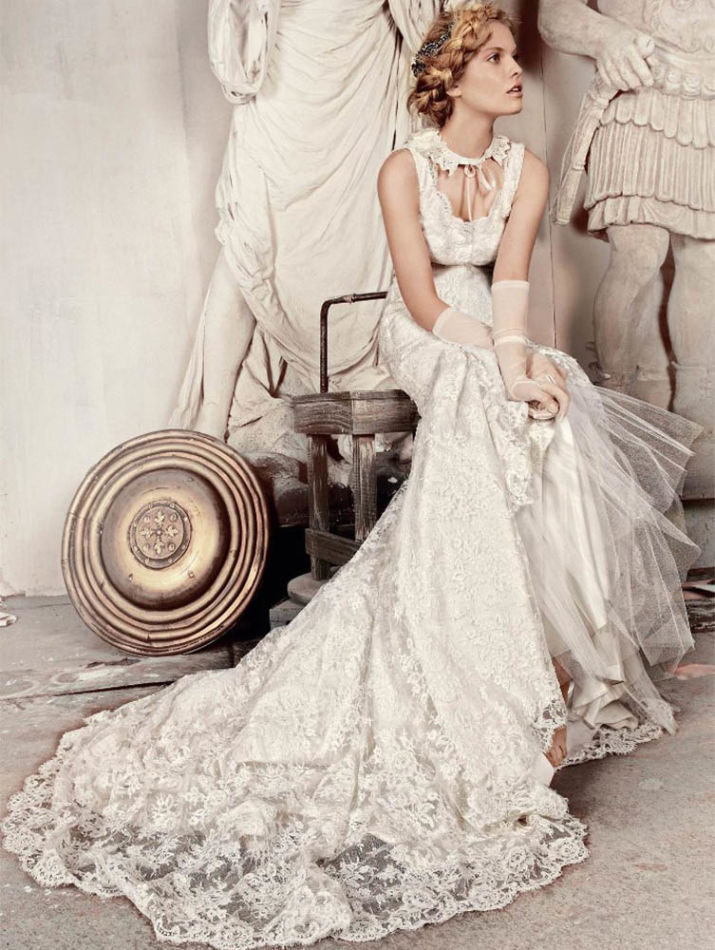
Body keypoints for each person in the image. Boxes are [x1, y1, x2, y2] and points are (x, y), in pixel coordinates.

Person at [0, 3, 704, 948]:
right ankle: (493, 654)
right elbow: (419, 296)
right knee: (483, 396)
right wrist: (496, 366)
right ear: (452, 77)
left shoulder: (526, 168)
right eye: (496, 57)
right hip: (422, 330)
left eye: (511, 56)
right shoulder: (401, 168)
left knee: (553, 390)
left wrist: (517, 359)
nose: (514, 70)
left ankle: (546, 648)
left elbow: (508, 288)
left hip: (486, 323)